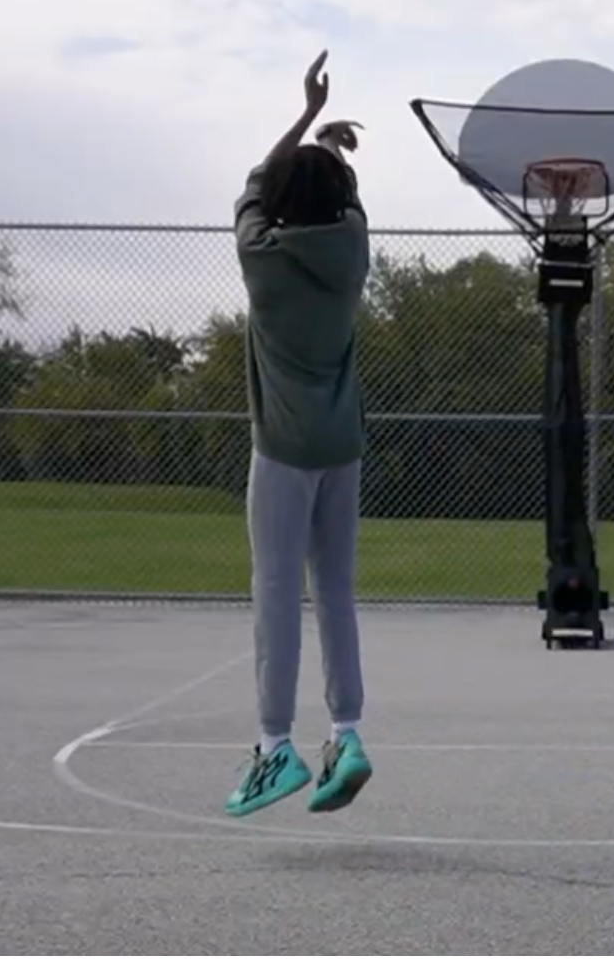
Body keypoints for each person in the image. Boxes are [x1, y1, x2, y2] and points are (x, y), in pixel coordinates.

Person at [224, 50, 374, 819]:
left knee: (277, 591)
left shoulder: (261, 257)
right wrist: (333, 156)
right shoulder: (353, 251)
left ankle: (275, 747)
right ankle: (346, 733)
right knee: (336, 593)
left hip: (282, 451)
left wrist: (307, 117)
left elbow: (256, 183)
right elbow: (335, 200)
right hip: (341, 447)